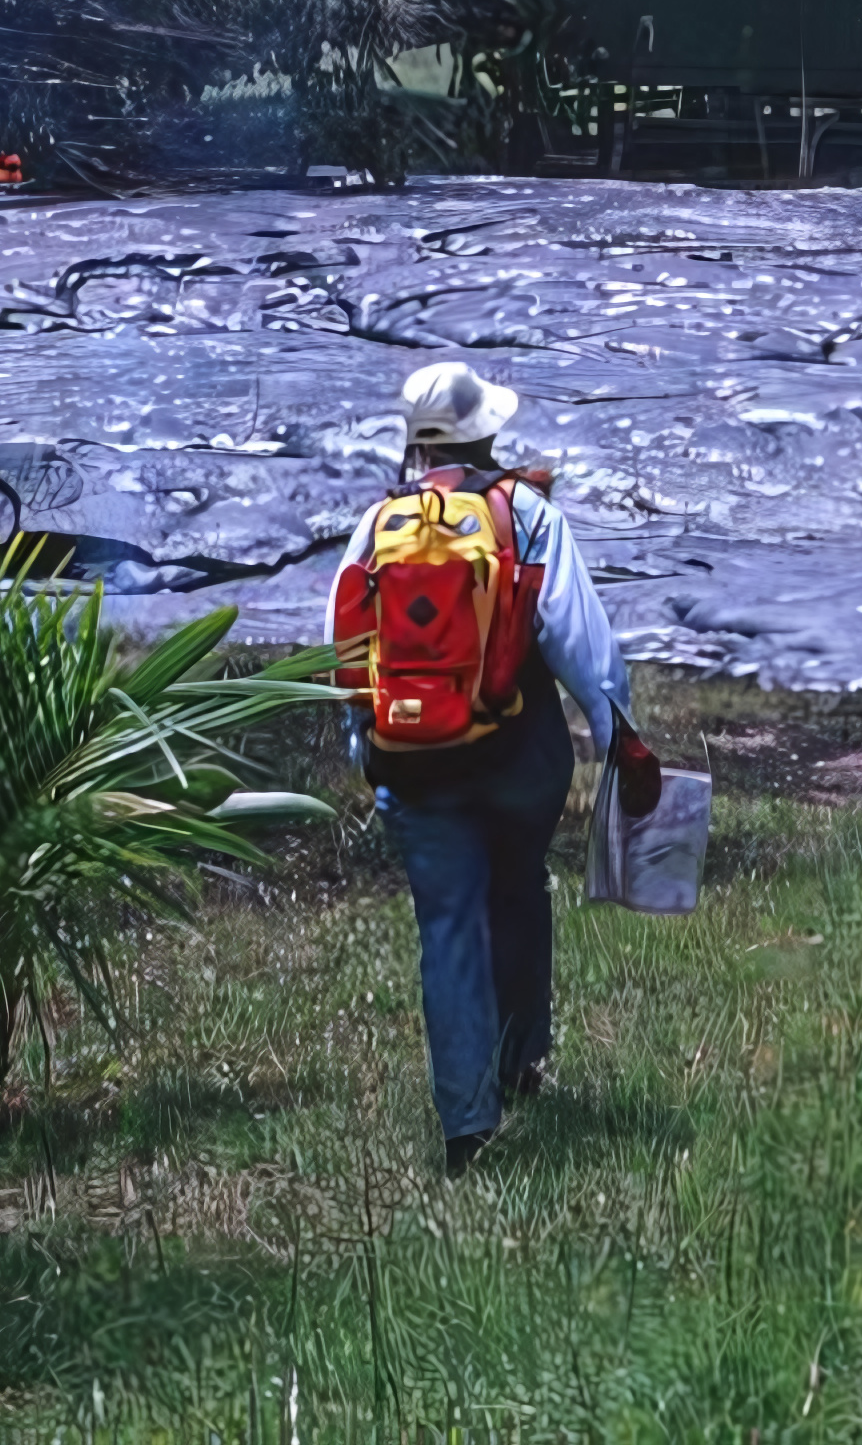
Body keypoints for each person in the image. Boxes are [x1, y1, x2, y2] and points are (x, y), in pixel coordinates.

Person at [332, 360, 659, 1173]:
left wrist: (367, 755)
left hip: (412, 766)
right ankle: (519, 1061)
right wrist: (622, 739)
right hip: (520, 760)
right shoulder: (526, 516)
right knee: (517, 887)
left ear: (413, 444)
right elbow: (580, 642)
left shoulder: (374, 528)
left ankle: (467, 1129)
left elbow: (345, 655)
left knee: (448, 926)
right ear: (487, 433)